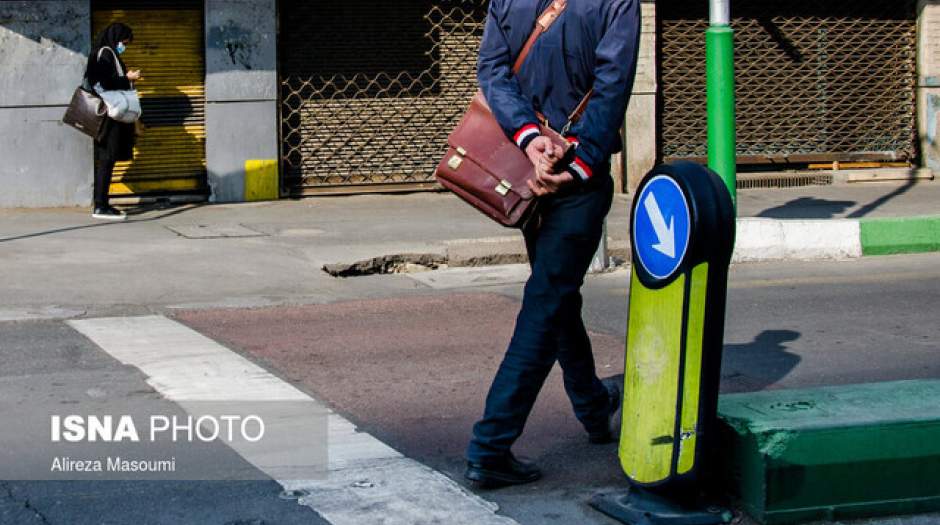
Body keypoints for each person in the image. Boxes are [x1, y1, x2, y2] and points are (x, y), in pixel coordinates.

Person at [465, 0, 641, 488]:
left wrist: (529, 140)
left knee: (556, 296)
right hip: (573, 180)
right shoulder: (616, 4)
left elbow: (492, 72)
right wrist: (577, 163)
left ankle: (592, 406)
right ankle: (490, 446)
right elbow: (612, 86)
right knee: (547, 302)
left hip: (527, 171)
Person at [84, 22, 141, 221]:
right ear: (116, 38)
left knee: (108, 159)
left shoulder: (105, 53)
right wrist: (128, 78)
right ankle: (101, 206)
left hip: (110, 114)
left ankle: (102, 203)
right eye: (124, 42)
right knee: (107, 159)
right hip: (109, 116)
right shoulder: (105, 53)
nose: (124, 46)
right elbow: (102, 82)